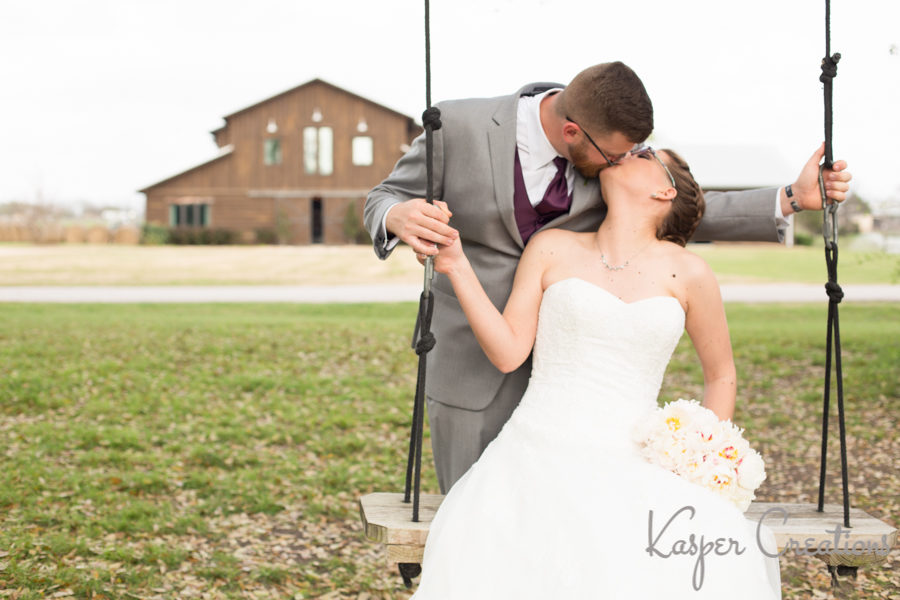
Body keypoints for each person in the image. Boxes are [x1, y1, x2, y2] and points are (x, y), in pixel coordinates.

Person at [364, 62, 852, 494]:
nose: (625, 160)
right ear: (572, 131)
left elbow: (679, 208)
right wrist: (397, 217)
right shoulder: (458, 124)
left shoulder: (610, 161)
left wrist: (790, 197)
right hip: (473, 363)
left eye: (636, 154)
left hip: (590, 393)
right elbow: (384, 195)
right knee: (476, 524)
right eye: (619, 155)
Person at [410, 146, 781, 598]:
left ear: (664, 190)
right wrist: (455, 263)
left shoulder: (690, 272)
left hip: (638, 459)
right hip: (534, 454)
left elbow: (721, 375)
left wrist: (702, 461)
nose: (627, 151)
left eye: (644, 153)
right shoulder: (552, 247)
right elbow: (509, 352)